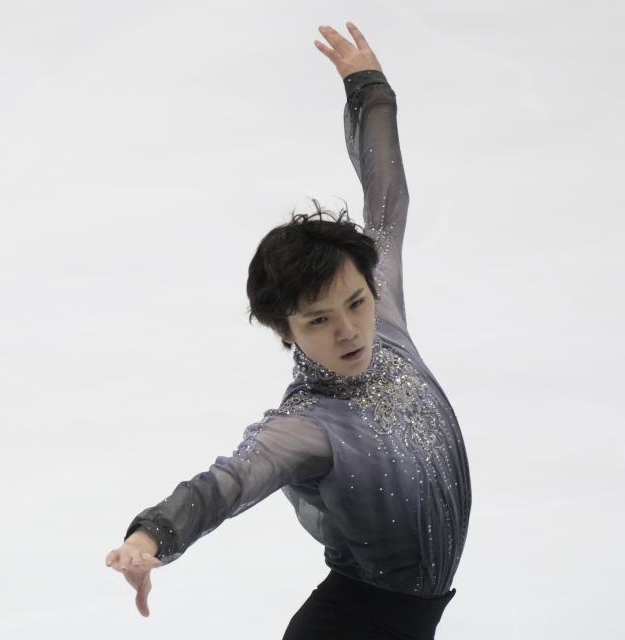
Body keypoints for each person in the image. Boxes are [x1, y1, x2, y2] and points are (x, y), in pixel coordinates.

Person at [105, 21, 471, 639]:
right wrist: (151, 535)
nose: (351, 330)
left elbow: (386, 195)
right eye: (319, 321)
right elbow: (226, 484)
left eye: (355, 303)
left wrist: (369, 90)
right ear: (286, 331)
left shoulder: (384, 318)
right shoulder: (308, 426)